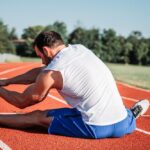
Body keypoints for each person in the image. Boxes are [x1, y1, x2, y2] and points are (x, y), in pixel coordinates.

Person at [0, 31, 149, 139]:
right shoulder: (80, 49)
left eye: (40, 56)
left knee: (36, 117)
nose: (42, 62)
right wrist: (8, 81)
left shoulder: (52, 73)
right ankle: (132, 115)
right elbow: (42, 71)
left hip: (95, 127)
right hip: (122, 124)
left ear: (46, 50)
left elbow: (21, 101)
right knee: (93, 107)